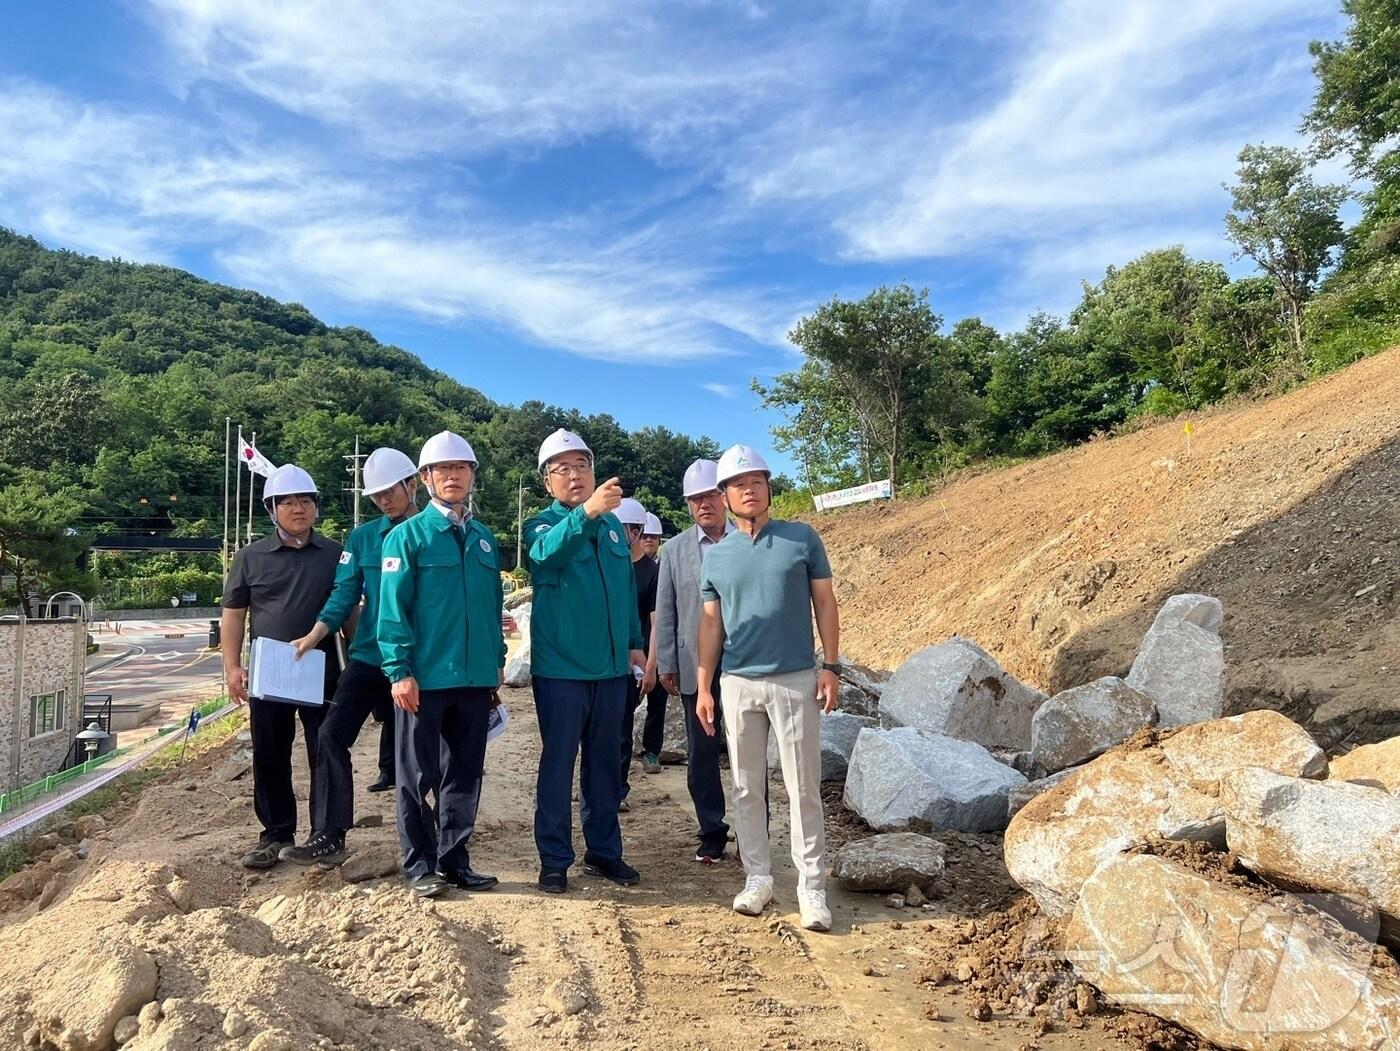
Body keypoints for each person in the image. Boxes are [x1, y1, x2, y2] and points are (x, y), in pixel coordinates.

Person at [696, 445, 841, 932]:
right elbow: (711, 624)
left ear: (768, 487)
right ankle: (758, 876)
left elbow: (825, 602)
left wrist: (832, 666)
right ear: (725, 496)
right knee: (745, 786)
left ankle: (811, 886)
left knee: (802, 786)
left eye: (756, 481)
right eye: (739, 484)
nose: (749, 490)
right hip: (738, 683)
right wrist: (704, 685)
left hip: (796, 677)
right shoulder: (717, 557)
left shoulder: (801, 539)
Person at [378, 431, 506, 899]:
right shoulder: (406, 537)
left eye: (461, 468)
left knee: (465, 774)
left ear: (472, 475)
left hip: (473, 679)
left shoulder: (485, 539)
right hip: (424, 679)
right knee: (417, 777)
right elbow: (391, 610)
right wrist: (399, 670)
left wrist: (496, 664)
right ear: (425, 479)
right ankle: (419, 866)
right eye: (441, 470)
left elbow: (493, 608)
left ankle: (455, 860)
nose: (452, 476)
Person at [281, 447, 419, 867]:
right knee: (330, 734)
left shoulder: (435, 532)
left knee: (422, 750)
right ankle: (329, 834)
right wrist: (314, 635)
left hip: (420, 660)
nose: (383, 500)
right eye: (375, 494)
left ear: (412, 484)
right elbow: (344, 594)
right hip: (370, 656)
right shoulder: (361, 540)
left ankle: (427, 838)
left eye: (389, 491)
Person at [526, 428, 646, 894]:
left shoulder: (615, 527)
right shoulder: (540, 524)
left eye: (582, 466)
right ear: (547, 482)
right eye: (563, 469)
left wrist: (635, 642)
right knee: (558, 766)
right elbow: (543, 556)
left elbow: (623, 591)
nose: (575, 475)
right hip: (562, 671)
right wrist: (588, 513)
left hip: (613, 670)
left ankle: (604, 852)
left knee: (604, 766)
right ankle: (554, 859)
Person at [221, 463, 342, 870]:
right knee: (270, 753)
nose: (298, 508)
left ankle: (326, 835)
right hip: (269, 675)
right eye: (288, 502)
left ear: (316, 507)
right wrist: (232, 667)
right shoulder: (250, 557)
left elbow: (350, 609)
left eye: (305, 500)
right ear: (272, 510)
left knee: (325, 752)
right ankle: (275, 833)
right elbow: (234, 616)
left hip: (323, 671)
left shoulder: (335, 553)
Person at [652, 458, 734, 863]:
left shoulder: (750, 538)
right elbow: (665, 609)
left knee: (747, 753)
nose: (704, 505)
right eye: (695, 499)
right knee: (702, 753)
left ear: (725, 496)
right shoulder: (675, 550)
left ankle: (756, 833)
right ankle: (712, 831)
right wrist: (666, 661)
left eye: (710, 496)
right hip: (693, 665)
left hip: (744, 663)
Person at [615, 496, 650, 808]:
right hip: (606, 658)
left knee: (622, 729)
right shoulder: (608, 563)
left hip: (634, 660)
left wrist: (647, 657)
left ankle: (619, 789)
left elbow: (654, 617)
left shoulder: (649, 571)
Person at [636, 511, 670, 775]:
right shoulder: (623, 567)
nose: (648, 540)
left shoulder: (661, 570)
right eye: (644, 535)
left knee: (657, 703)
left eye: (653, 537)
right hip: (630, 648)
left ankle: (651, 751)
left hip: (657, 646)